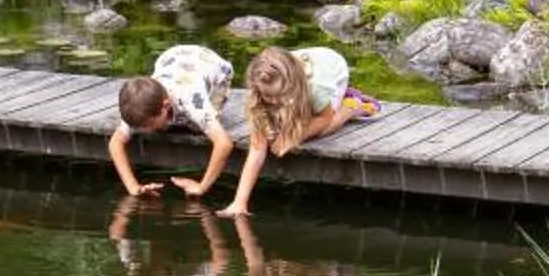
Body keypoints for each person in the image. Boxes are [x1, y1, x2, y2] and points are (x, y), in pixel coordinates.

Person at [220, 46, 379, 217]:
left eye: (279, 95)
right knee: (281, 123)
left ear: (291, 85)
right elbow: (257, 147)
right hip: (301, 72)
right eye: (268, 96)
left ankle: (351, 105)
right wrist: (239, 202)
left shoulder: (315, 86)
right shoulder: (263, 85)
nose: (274, 102)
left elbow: (324, 119)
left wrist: (292, 138)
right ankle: (322, 103)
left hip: (333, 68)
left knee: (323, 127)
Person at [106, 43, 236, 199]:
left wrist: (201, 187)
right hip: (171, 58)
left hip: (216, 69)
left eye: (148, 125)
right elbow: (115, 143)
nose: (145, 131)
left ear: (165, 106)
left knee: (197, 126)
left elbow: (224, 143)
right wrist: (133, 187)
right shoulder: (140, 105)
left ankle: (191, 118)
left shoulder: (193, 102)